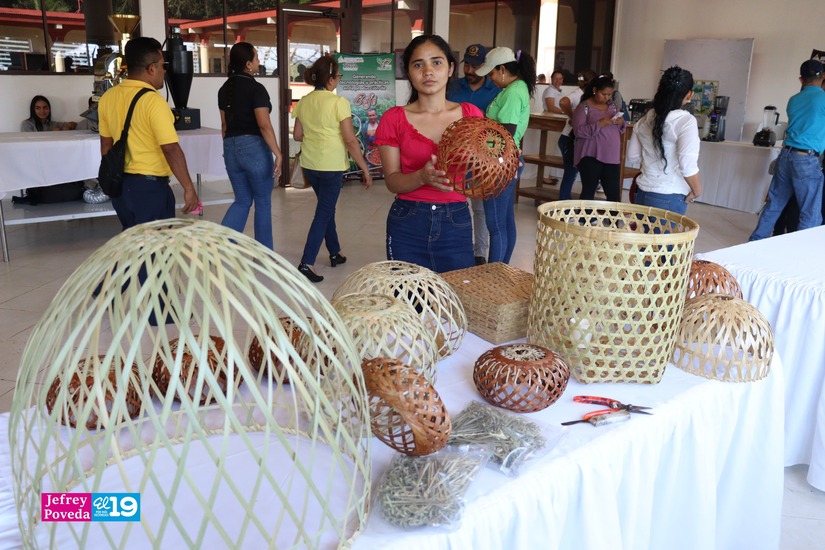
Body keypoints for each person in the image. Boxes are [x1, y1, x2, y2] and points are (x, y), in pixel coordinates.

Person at [97, 36, 200, 325]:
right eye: (163, 66)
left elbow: (106, 147)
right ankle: (161, 311)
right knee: (156, 250)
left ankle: (106, 289)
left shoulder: (108, 97)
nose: (165, 72)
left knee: (133, 242)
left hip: (121, 187)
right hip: (149, 187)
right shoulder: (153, 103)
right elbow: (170, 148)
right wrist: (189, 189)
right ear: (152, 68)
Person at [375, 34, 482, 273]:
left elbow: (478, 173)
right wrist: (421, 177)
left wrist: (500, 163)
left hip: (455, 220)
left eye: (436, 62)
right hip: (408, 221)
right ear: (409, 72)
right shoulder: (394, 118)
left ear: (451, 68)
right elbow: (392, 181)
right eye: (418, 64)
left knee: (455, 300)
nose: (428, 71)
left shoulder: (471, 114)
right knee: (408, 301)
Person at [293, 55, 372, 283]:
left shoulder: (304, 101)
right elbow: (349, 140)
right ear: (330, 79)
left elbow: (298, 134)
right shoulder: (338, 103)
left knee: (326, 208)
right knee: (324, 211)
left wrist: (316, 135)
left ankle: (335, 251)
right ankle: (307, 262)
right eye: (338, 76)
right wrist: (364, 168)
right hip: (331, 166)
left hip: (310, 164)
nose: (338, 80)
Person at [217, 42, 283, 250]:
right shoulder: (256, 88)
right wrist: (278, 153)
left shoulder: (223, 89)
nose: (259, 61)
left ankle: (220, 248)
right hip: (253, 147)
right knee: (262, 201)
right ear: (248, 64)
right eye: (256, 57)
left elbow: (224, 125)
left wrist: (231, 150)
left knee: (243, 200)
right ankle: (264, 255)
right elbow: (264, 125)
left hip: (230, 147)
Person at [750, 59, 825, 240]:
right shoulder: (822, 98)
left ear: (801, 79)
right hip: (806, 159)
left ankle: (755, 241)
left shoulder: (794, 99)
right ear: (823, 77)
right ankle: (800, 253)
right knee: (811, 212)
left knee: (774, 204)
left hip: (786, 155)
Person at [475, 46, 536, 264]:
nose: (490, 79)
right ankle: (502, 268)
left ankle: (493, 274)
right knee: (506, 221)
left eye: (491, 73)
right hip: (509, 161)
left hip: (500, 163)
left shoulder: (512, 93)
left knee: (496, 224)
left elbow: (506, 134)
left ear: (502, 69)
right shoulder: (516, 89)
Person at [447, 43, 501, 265]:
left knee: (479, 209)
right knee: (451, 204)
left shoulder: (496, 91)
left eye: (475, 66)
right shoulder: (452, 87)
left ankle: (479, 253)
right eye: (466, 65)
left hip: (481, 159)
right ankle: (453, 247)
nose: (469, 71)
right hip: (452, 156)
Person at [626, 66, 702, 215]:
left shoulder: (644, 120)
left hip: (642, 192)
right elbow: (687, 164)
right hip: (669, 195)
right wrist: (697, 190)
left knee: (645, 237)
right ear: (689, 94)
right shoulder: (686, 121)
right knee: (664, 239)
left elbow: (632, 157)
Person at [572, 74, 627, 202]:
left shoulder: (613, 106)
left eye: (609, 94)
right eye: (604, 94)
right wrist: (599, 124)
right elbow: (578, 131)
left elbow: (623, 126)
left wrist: (621, 122)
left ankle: (614, 219)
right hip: (590, 155)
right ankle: (585, 219)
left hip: (611, 156)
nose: (606, 97)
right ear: (595, 90)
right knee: (588, 191)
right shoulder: (584, 107)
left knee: (613, 192)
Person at [558, 69, 597, 200]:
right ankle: (564, 207)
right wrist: (574, 117)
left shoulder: (587, 96)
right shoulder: (579, 93)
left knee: (573, 173)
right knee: (570, 173)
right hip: (568, 138)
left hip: (576, 139)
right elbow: (563, 102)